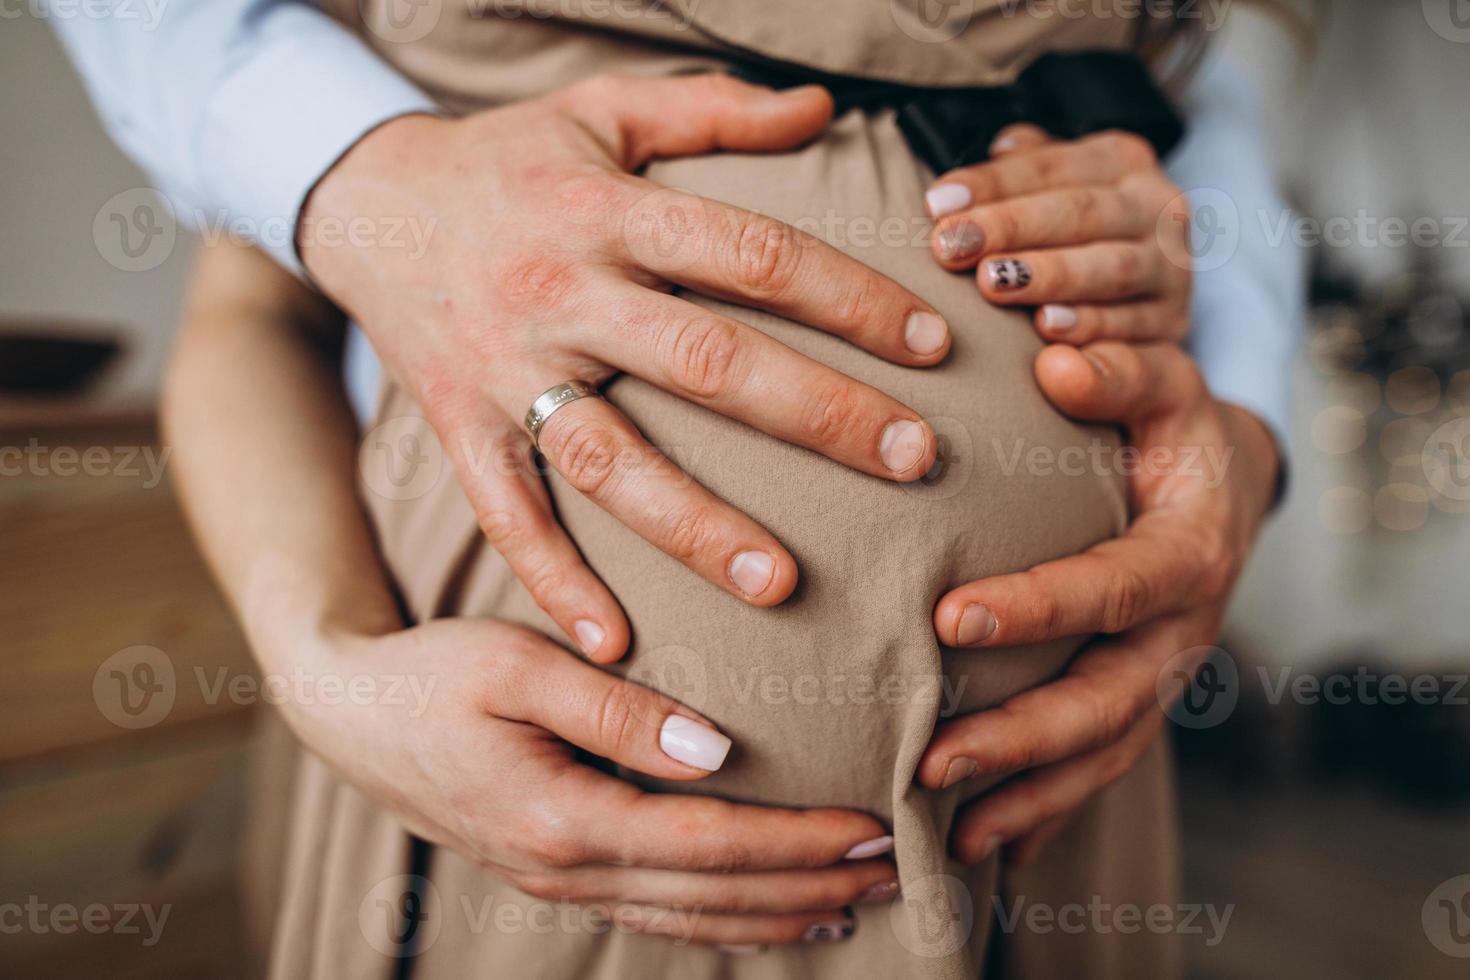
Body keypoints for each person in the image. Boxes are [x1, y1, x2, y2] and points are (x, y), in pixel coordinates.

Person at [57, 0, 1301, 976]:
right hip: (543, 840)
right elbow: (246, 306)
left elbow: (1203, 107)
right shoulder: (352, 83)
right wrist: (321, 660)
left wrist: (1243, 437)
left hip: (1048, 795)